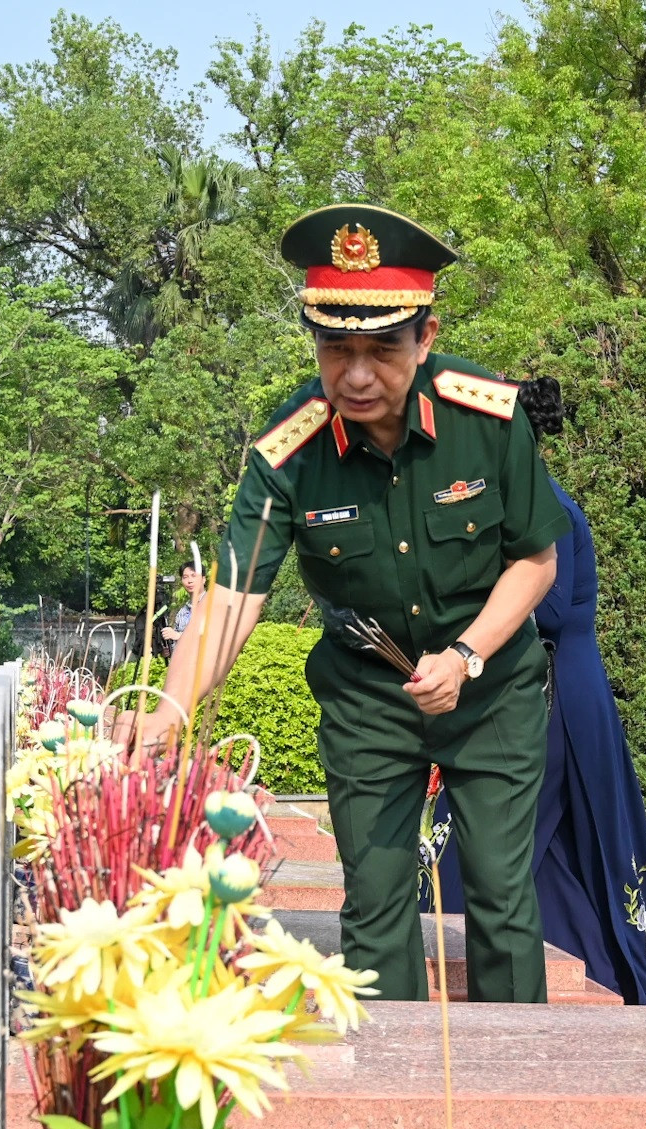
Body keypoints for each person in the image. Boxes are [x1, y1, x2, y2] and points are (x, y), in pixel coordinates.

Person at [126, 204, 570, 1002]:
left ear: (425, 338)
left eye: (382, 349)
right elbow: (233, 597)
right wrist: (168, 714)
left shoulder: (489, 421)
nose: (357, 375)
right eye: (336, 348)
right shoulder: (288, 451)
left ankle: (516, 1088)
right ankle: (390, 1092)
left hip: (492, 693)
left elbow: (536, 561)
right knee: (375, 905)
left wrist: (467, 655)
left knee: (503, 902)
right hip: (369, 700)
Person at [434, 379, 646, 1006]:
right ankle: (581, 968)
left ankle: (563, 970)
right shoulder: (522, 503)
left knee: (499, 826)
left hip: (556, 694)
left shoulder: (551, 510)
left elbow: (555, 611)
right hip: (537, 688)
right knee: (545, 847)